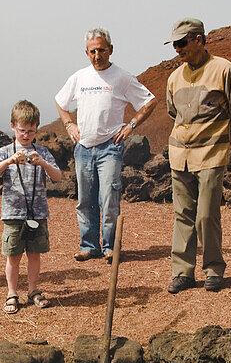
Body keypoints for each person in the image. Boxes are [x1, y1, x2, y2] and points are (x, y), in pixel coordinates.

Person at [55, 28, 156, 262]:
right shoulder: (79, 77)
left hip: (110, 147)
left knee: (109, 198)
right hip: (83, 148)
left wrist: (130, 125)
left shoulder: (122, 77)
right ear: (86, 52)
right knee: (85, 200)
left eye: (101, 50)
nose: (97, 55)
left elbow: (149, 101)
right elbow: (60, 101)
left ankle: (110, 247)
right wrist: (69, 124)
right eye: (92, 51)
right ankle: (89, 246)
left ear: (111, 50)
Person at [165, 18, 231, 293]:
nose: (177, 49)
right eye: (174, 44)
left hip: (212, 154)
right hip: (180, 155)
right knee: (183, 214)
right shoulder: (174, 77)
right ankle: (183, 273)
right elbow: (172, 113)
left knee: (206, 214)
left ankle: (213, 269)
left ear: (199, 40)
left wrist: (222, 139)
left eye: (182, 43)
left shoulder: (225, 71)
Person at [0, 100, 62, 314]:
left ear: (37, 129)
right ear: (12, 126)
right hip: (13, 214)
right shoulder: (5, 151)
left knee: (35, 254)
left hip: (37, 213)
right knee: (13, 256)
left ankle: (34, 290)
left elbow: (58, 177)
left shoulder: (42, 152)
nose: (26, 135)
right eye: (22, 130)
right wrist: (9, 161)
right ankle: (12, 293)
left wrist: (43, 163)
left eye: (31, 131)